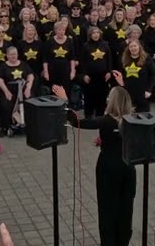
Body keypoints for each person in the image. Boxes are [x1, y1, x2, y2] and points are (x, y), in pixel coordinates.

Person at [53, 81, 136, 246]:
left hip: (108, 167)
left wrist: (65, 101)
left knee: (107, 207)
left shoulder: (106, 121)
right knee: (126, 206)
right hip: (128, 167)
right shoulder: (131, 120)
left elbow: (78, 122)